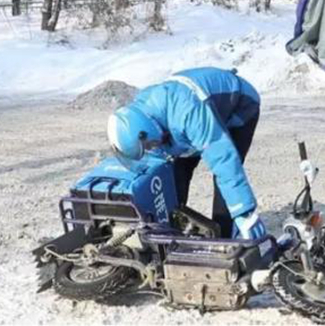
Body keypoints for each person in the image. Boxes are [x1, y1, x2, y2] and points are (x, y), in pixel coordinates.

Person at [107, 67, 266, 240]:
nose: (150, 149)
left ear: (146, 132)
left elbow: (223, 159)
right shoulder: (140, 115)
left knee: (222, 178)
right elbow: (156, 163)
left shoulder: (188, 115)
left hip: (238, 108)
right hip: (184, 123)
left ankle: (223, 237)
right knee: (176, 174)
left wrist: (244, 212)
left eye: (148, 146)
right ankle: (171, 232)